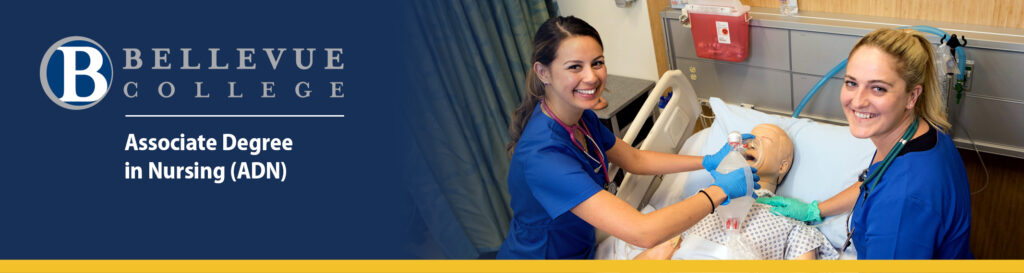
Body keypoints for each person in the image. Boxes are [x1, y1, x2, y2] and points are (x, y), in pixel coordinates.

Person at [497, 16, 759, 259]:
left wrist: (708, 160)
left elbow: (634, 159)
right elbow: (643, 232)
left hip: (581, 249)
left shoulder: (580, 116)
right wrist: (719, 191)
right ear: (543, 73)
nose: (591, 77)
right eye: (574, 67)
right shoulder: (543, 157)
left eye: (597, 63)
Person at [757, 28, 972, 259]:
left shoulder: (902, 202)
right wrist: (815, 210)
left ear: (912, 96)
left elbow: (893, 195)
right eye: (851, 83)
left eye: (878, 88)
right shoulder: (921, 135)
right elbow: (873, 181)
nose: (858, 101)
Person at [599, 124, 838, 260]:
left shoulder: (792, 220)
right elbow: (660, 249)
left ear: (783, 166)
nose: (751, 142)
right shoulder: (705, 200)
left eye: (765, 141)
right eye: (749, 138)